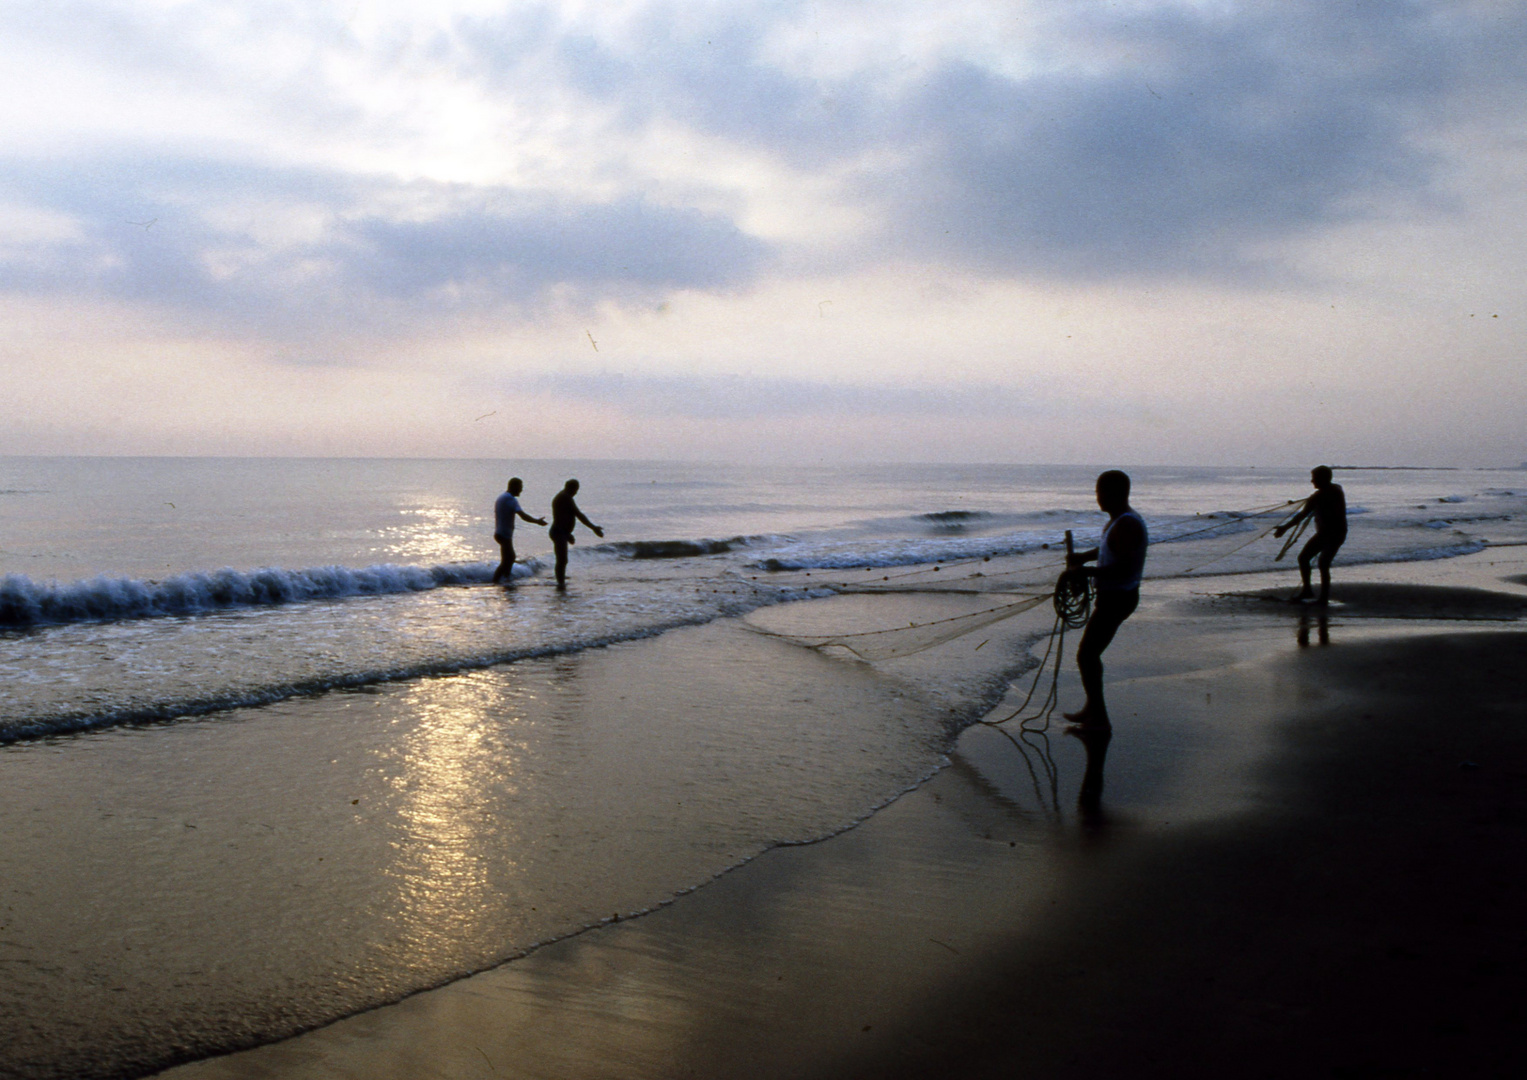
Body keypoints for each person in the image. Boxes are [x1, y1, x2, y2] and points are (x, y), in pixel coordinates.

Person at [1062, 470, 1148, 730]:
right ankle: (1093, 708)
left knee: (1087, 655)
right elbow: (1109, 548)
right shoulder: (1118, 521)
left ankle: (1099, 718)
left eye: (1100, 492)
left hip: (1118, 598)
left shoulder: (1127, 524)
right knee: (1089, 654)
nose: (1097, 497)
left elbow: (1122, 567)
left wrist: (1085, 572)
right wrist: (1083, 558)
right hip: (1113, 596)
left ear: (1115, 493)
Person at [1274, 465, 1347, 605]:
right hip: (1326, 533)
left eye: (1314, 478)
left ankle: (1323, 598)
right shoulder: (1336, 488)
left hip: (1334, 534)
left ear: (1323, 479)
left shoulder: (1320, 495)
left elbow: (1301, 516)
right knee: (1304, 558)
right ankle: (1308, 590)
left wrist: (1284, 528)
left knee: (1323, 563)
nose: (1311, 481)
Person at [548, 479, 603, 589]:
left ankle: (561, 581)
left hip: (562, 531)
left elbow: (563, 517)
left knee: (563, 559)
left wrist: (568, 534)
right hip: (558, 532)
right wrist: (593, 528)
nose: (576, 492)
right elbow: (578, 515)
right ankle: (560, 583)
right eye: (576, 490)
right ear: (571, 488)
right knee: (562, 559)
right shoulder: (565, 497)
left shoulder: (565, 496)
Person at [492, 477, 547, 584]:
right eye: (520, 487)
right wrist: (537, 521)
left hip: (500, 533)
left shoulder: (502, 497)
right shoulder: (511, 499)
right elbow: (523, 516)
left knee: (509, 559)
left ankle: (505, 579)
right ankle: (496, 581)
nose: (521, 490)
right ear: (514, 487)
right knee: (508, 559)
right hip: (504, 534)